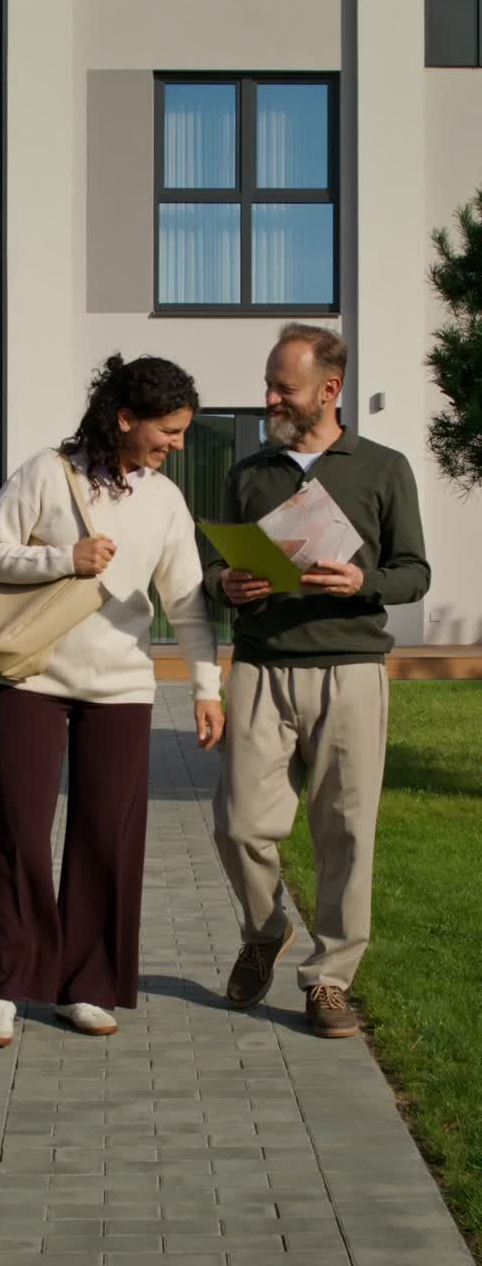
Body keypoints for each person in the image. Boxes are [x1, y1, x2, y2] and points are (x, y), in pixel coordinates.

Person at [0, 353, 224, 1047]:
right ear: (124, 419)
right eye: (168, 431)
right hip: (31, 678)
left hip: (122, 690)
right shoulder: (47, 473)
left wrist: (206, 686)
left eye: (181, 433)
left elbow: (188, 605)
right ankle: (7, 987)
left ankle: (85, 984)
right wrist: (63, 559)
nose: (177, 445)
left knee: (105, 835)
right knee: (22, 832)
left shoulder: (166, 501)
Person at [205, 324, 430, 1038]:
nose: (269, 397)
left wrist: (366, 580)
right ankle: (266, 930)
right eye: (270, 383)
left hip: (352, 671)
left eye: (283, 387)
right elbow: (210, 573)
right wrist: (227, 583)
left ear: (329, 390)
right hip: (262, 667)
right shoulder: (250, 475)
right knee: (239, 825)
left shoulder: (384, 468)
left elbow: (415, 573)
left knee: (346, 834)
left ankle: (329, 981)